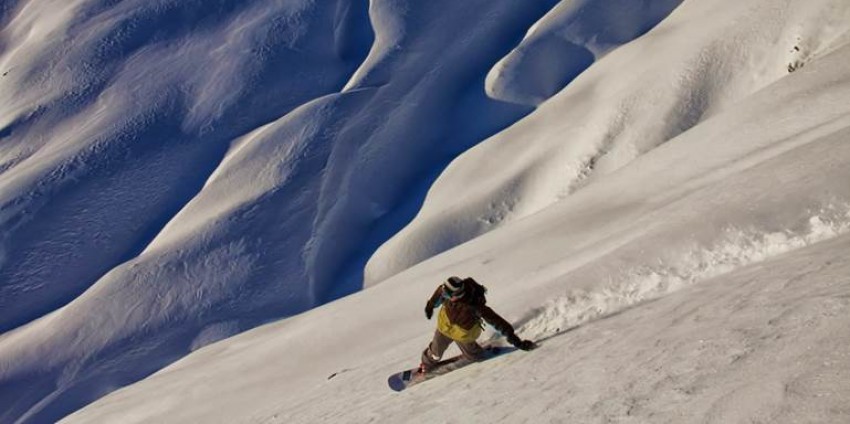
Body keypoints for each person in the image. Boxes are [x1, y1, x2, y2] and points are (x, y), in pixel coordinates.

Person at [419, 276, 536, 373]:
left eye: (447, 295)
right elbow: (440, 292)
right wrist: (430, 305)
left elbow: (496, 321)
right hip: (444, 328)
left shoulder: (474, 306)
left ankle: (476, 352)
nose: (444, 295)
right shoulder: (448, 290)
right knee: (435, 353)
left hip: (464, 335)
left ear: (457, 294)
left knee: (476, 357)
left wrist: (516, 341)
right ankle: (426, 364)